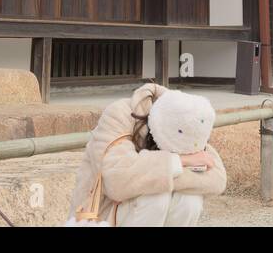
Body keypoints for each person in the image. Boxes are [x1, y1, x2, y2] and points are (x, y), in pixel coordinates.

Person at [67, 82, 226, 227]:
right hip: (104, 213)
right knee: (156, 197)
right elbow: (116, 182)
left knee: (190, 200)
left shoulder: (185, 120)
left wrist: (150, 175)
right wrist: (180, 161)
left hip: (140, 209)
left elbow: (217, 180)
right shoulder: (120, 114)